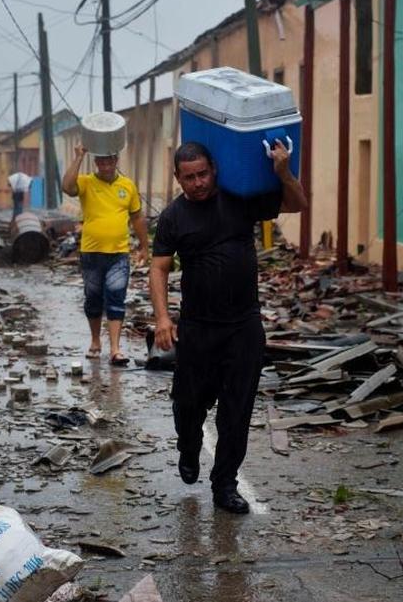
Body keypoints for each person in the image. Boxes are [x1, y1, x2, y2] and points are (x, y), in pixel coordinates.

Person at [149, 140, 306, 514]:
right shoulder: (173, 217)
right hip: (198, 328)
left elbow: (297, 203)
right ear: (178, 179)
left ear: (214, 170)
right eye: (189, 177)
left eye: (203, 173)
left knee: (236, 412)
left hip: (243, 327)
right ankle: (188, 447)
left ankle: (225, 486)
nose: (198, 183)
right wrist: (162, 318)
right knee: (188, 405)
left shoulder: (240, 199)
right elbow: (159, 268)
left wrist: (283, 172)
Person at [62, 144, 148, 366]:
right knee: (93, 298)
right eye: (101, 161)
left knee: (116, 298)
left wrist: (144, 246)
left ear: (116, 160)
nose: (106, 165)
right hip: (91, 253)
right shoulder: (87, 182)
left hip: (119, 254)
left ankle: (116, 349)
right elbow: (66, 186)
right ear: (96, 163)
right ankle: (94, 341)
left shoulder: (127, 186)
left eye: (109, 160)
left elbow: (137, 217)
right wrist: (79, 157)